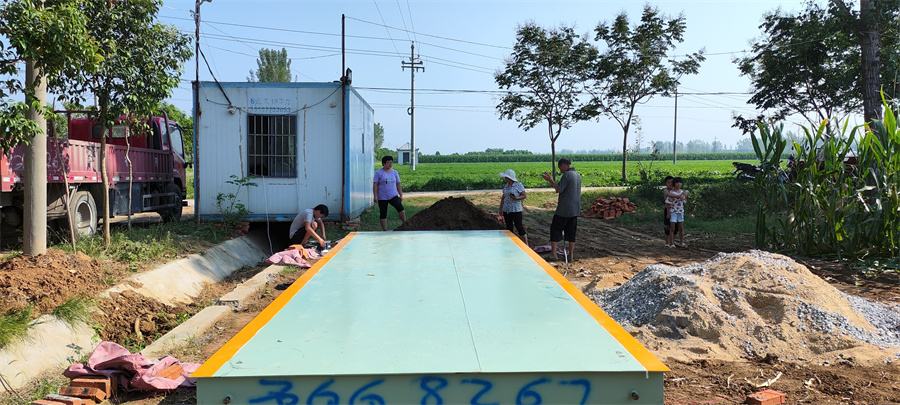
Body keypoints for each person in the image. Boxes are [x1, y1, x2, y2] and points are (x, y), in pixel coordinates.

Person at [541, 158, 582, 261]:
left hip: (564, 209)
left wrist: (550, 180)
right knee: (571, 232)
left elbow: (559, 189)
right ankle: (571, 255)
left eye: (560, 168)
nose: (560, 170)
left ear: (564, 165)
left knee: (555, 229)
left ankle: (553, 254)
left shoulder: (567, 175)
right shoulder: (577, 175)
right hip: (575, 209)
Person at [373, 155, 407, 231]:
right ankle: (385, 230)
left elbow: (398, 184)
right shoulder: (379, 173)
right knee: (383, 213)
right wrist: (375, 196)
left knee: (400, 208)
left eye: (391, 162)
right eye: (388, 162)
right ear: (383, 163)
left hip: (393, 195)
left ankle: (405, 223)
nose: (390, 164)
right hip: (382, 196)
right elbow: (375, 185)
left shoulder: (395, 172)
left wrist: (401, 194)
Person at [498, 169, 528, 246]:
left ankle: (526, 245)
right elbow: (504, 196)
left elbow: (524, 195)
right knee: (509, 228)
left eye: (506, 177)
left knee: (519, 227)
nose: (505, 178)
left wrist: (516, 198)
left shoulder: (518, 185)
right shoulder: (506, 185)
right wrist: (501, 208)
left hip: (515, 210)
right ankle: (511, 244)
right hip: (506, 209)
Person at [666, 177, 688, 248]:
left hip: (680, 211)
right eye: (677, 183)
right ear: (674, 184)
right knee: (672, 228)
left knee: (681, 228)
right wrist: (668, 213)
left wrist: (684, 196)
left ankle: (682, 242)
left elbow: (685, 200)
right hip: (673, 211)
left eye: (680, 183)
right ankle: (671, 243)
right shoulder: (671, 193)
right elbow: (668, 203)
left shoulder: (682, 192)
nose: (679, 184)